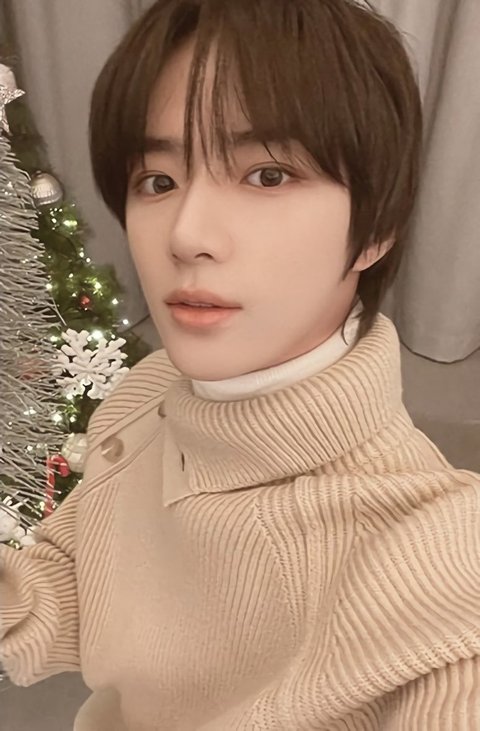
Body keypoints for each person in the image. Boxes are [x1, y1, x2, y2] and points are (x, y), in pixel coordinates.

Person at [2, 1, 480, 729]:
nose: (186, 233)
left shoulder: (430, 561)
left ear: (377, 225)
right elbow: (87, 567)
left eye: (267, 175)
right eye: (157, 181)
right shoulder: (152, 390)